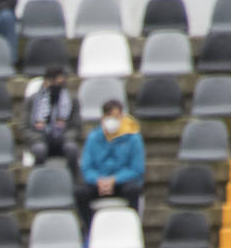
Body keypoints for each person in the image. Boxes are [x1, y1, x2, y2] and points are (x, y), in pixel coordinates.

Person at [76, 99, 145, 231]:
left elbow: (137, 169)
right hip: (99, 184)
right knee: (80, 192)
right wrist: (98, 180)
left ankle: (132, 229)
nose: (114, 121)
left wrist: (115, 180)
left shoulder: (133, 138)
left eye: (117, 117)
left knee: (133, 190)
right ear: (103, 118)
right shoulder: (93, 137)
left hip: (122, 183)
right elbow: (87, 167)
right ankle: (91, 230)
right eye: (110, 117)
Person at [23, 65, 80, 171]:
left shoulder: (72, 101)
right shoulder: (32, 101)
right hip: (39, 139)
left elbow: (76, 127)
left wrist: (64, 137)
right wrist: (39, 137)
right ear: (46, 82)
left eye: (61, 84)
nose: (57, 87)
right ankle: (39, 181)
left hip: (64, 139)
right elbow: (25, 128)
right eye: (55, 83)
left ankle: (72, 181)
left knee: (72, 149)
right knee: (39, 150)